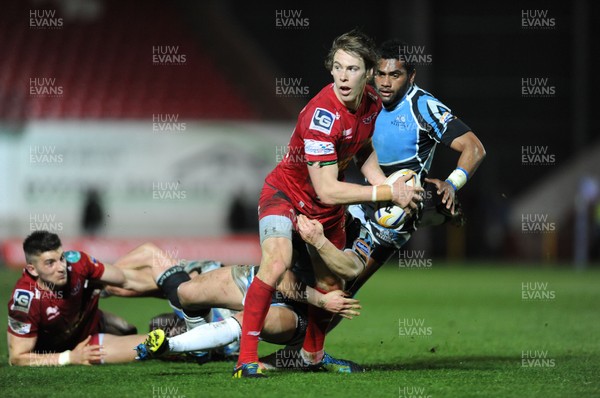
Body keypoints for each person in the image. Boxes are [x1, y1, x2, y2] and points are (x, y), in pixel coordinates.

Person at [233, 30, 423, 378]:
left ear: (367, 72)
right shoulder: (322, 117)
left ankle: (312, 357)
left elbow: (361, 147)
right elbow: (327, 190)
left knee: (333, 285)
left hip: (324, 210)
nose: (342, 76)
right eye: (337, 67)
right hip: (286, 195)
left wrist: (383, 181)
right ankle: (246, 360)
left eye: (351, 68)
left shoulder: (371, 101)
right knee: (277, 264)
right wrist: (387, 193)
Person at [348, 38, 486, 266]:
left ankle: (435, 211)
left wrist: (452, 185)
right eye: (380, 74)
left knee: (342, 286)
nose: (385, 82)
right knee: (322, 279)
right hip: (362, 198)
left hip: (394, 215)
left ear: (411, 77)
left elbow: (475, 148)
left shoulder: (423, 106)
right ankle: (436, 215)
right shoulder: (364, 100)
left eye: (395, 75)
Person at [6, 230, 151, 366]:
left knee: (127, 329)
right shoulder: (25, 301)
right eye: (50, 263)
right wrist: (68, 357)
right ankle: (169, 341)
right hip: (75, 344)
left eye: (61, 258)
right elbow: (17, 358)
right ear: (32, 269)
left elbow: (125, 278)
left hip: (86, 320)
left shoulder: (76, 262)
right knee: (144, 344)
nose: (61, 267)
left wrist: (167, 286)